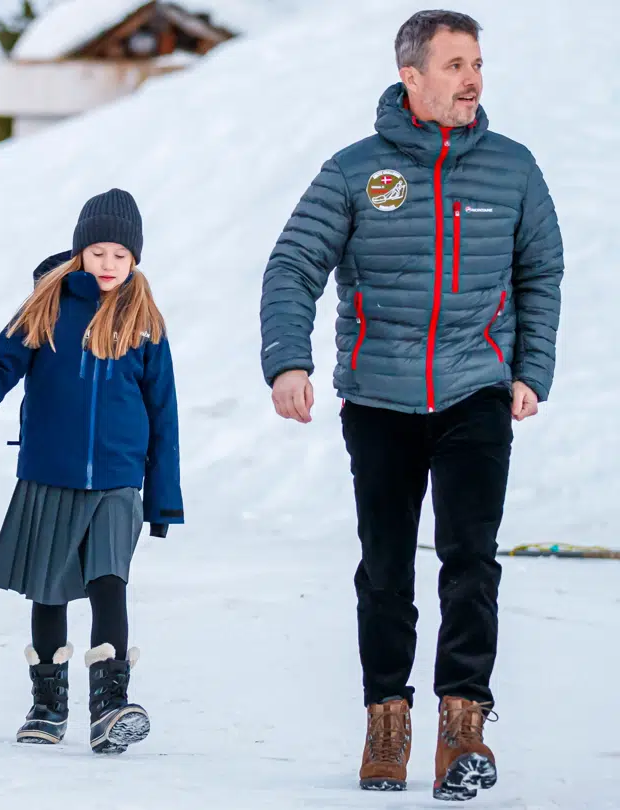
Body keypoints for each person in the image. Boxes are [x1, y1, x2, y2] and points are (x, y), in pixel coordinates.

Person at [259, 10, 562, 800]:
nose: (472, 80)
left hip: (475, 392)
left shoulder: (512, 168)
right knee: (387, 570)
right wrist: (289, 362)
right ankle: (386, 721)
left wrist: (531, 369)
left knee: (471, 563)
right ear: (412, 77)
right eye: (455, 65)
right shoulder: (358, 171)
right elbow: (293, 265)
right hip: (382, 400)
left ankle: (463, 726)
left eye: (477, 64)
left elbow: (541, 273)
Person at [0, 189, 182, 754]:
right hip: (50, 472)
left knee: (110, 583)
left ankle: (110, 706)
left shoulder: (144, 319)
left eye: (119, 255)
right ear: (79, 252)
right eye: (97, 252)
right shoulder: (48, 306)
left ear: (135, 260)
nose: (107, 265)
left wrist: (163, 497)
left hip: (118, 480)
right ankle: (48, 704)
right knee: (49, 591)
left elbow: (164, 412)